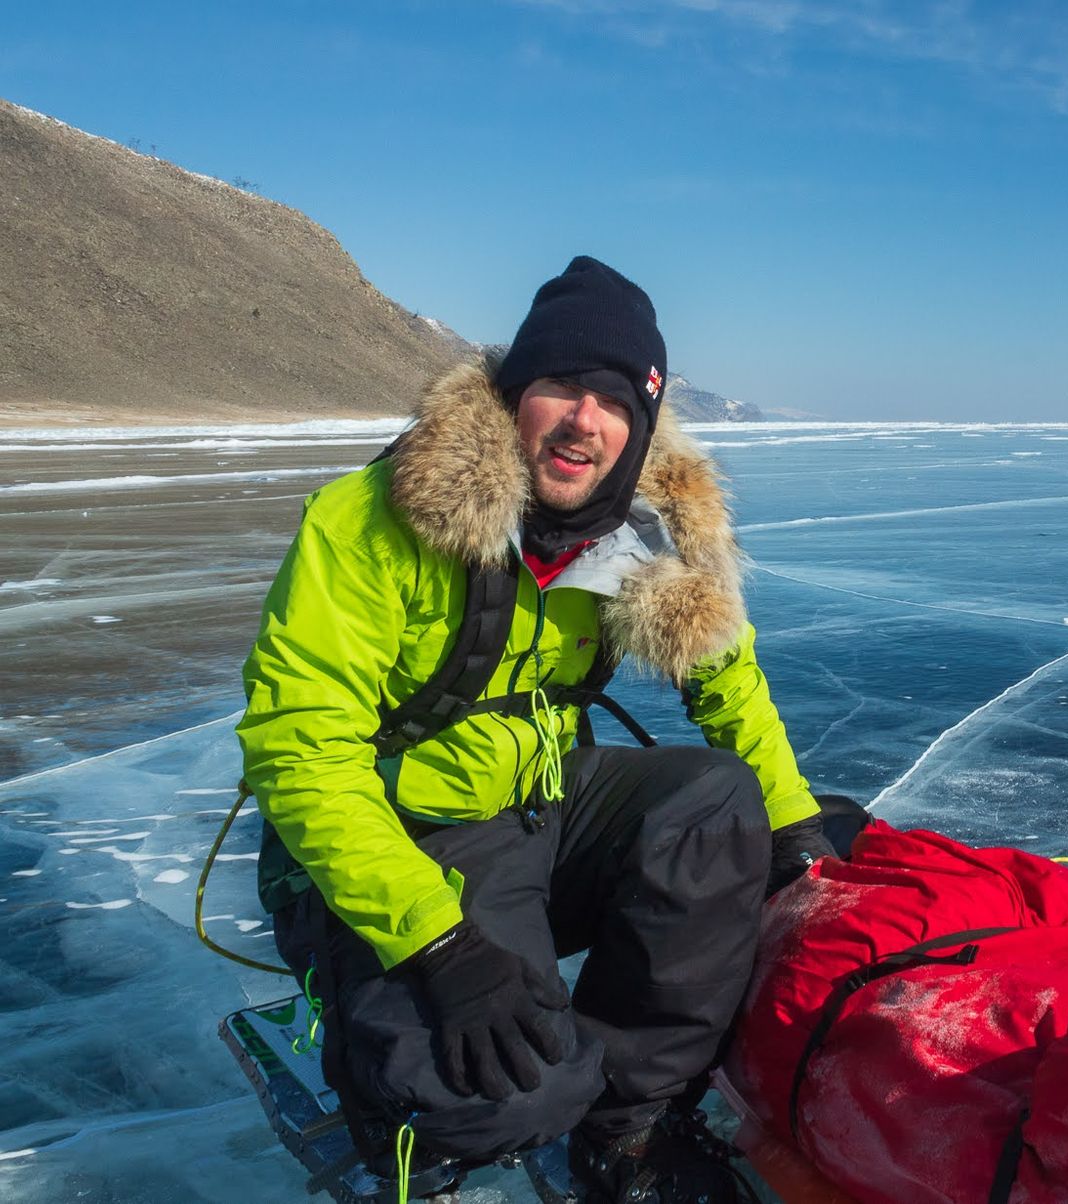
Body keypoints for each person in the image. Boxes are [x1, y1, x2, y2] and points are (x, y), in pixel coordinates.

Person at [238, 256, 835, 1203]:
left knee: (719, 803)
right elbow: (300, 747)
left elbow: (730, 682)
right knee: (491, 1102)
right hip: (405, 843)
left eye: (613, 400)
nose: (581, 419)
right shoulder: (370, 522)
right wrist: (436, 945)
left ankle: (629, 1122)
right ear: (515, 396)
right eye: (560, 385)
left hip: (540, 812)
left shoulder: (647, 533)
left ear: (639, 427)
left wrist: (797, 833)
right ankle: (370, 1035)